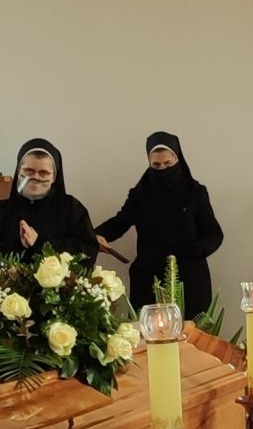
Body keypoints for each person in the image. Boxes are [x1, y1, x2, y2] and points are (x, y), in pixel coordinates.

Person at [95, 132, 224, 313]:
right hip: (148, 281)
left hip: (189, 281)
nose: (162, 169)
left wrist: (196, 249)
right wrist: (95, 235)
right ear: (149, 163)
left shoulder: (195, 192)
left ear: (177, 160)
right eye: (156, 165)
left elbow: (214, 233)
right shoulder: (140, 194)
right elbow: (120, 222)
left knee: (190, 331)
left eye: (168, 164)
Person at [0, 140, 96, 264]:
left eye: (44, 173)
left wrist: (40, 243)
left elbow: (88, 251)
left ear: (54, 176)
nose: (35, 177)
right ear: (19, 171)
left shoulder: (72, 208)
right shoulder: (1, 211)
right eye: (29, 171)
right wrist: (18, 245)